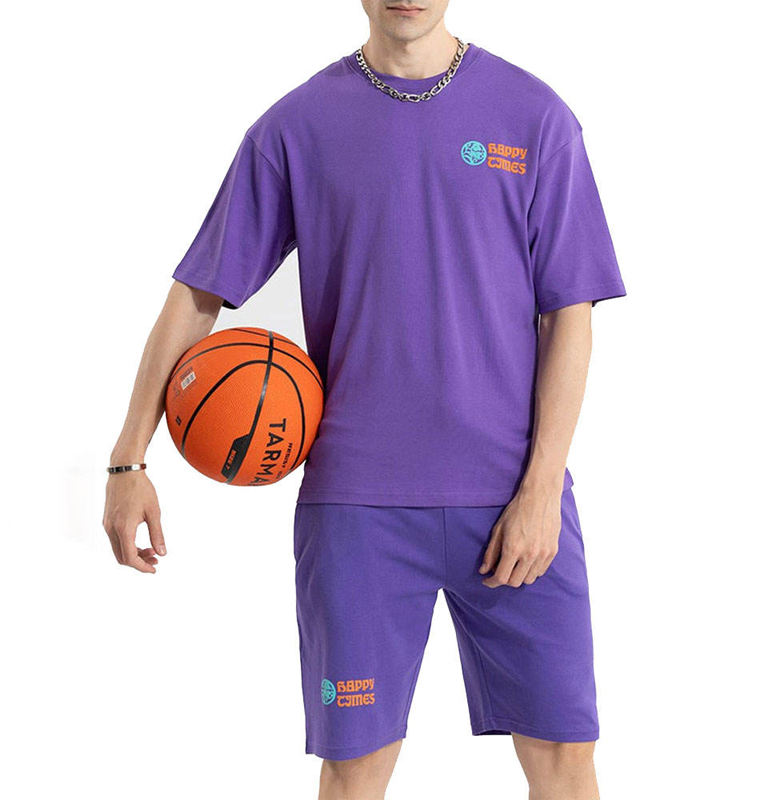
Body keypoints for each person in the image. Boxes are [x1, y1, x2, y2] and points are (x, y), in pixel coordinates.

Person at [103, 2, 626, 798]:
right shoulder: (296, 127)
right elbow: (199, 293)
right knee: (354, 771)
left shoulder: (536, 117)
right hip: (357, 512)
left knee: (565, 760)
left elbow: (570, 314)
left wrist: (543, 488)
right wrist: (128, 459)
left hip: (517, 499)